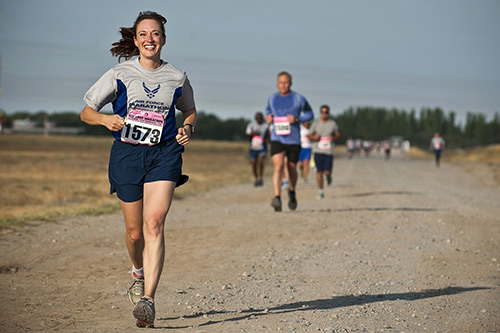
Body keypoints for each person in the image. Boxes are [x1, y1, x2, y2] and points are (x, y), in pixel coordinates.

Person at [80, 11, 197, 328]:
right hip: (128, 155)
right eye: (144, 34)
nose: (150, 39)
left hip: (165, 153)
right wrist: (106, 120)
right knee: (134, 233)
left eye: (156, 33)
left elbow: (189, 109)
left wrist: (188, 127)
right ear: (135, 40)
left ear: (163, 39)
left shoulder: (176, 77)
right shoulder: (119, 73)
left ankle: (149, 299)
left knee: (154, 223)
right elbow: (86, 112)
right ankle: (137, 271)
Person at [265, 71, 314, 212]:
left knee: (292, 168)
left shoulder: (298, 98)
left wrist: (298, 119)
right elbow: (267, 112)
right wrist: (268, 117)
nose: (283, 85)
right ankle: (277, 198)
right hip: (277, 138)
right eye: (280, 82)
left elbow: (310, 114)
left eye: (286, 82)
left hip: (293, 139)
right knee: (278, 166)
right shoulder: (272, 98)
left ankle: (292, 192)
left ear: (290, 83)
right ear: (277, 83)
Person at [308, 105, 340, 199]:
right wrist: (314, 137)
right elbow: (309, 135)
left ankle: (328, 176)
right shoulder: (316, 123)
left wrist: (333, 138)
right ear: (320, 113)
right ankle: (321, 191)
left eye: (326, 112)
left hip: (328, 151)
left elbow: (338, 134)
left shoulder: (332, 124)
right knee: (319, 171)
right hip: (318, 150)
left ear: (328, 113)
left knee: (327, 171)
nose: (324, 114)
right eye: (323, 112)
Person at [245, 112, 269, 186]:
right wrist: (253, 134)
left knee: (261, 161)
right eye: (258, 118)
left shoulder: (266, 126)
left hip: (262, 147)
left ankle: (260, 177)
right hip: (253, 147)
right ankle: (256, 178)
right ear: (255, 118)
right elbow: (247, 135)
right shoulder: (251, 125)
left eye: (261, 118)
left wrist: (267, 140)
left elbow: (269, 135)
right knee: (254, 163)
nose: (259, 120)